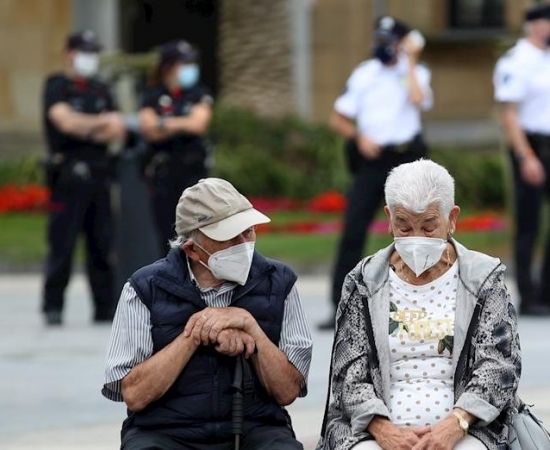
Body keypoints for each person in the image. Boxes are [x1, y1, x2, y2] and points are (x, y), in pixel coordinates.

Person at [318, 160, 521, 450]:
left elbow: (499, 367)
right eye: (404, 227)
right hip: (374, 430)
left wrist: (457, 423)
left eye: (428, 227)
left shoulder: (482, 278)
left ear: (451, 218)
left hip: (468, 428)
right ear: (389, 218)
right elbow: (348, 374)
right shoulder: (365, 281)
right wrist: (383, 429)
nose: (416, 239)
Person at [102, 178, 312, 450]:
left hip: (256, 428)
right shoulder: (144, 288)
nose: (244, 243)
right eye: (230, 237)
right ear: (191, 249)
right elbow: (134, 395)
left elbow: (287, 391)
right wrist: (194, 334)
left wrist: (251, 327)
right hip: (164, 432)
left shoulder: (280, 282)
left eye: (248, 231)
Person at [321, 16, 433, 330]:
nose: (383, 47)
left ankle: (420, 302)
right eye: (380, 41)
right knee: (354, 229)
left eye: (390, 42)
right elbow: (338, 118)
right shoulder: (364, 74)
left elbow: (419, 99)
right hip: (372, 161)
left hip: (407, 159)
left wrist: (411, 59)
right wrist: (359, 137)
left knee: (416, 229)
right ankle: (340, 306)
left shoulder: (416, 73)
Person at [493, 2, 550, 317]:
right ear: (535, 25)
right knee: (529, 223)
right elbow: (509, 115)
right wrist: (525, 155)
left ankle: (549, 290)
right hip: (532, 147)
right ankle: (528, 296)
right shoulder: (517, 61)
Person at [42, 30, 127, 326]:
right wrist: (98, 124)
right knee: (61, 245)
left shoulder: (102, 89)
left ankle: (104, 308)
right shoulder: (57, 86)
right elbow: (63, 121)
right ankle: (53, 307)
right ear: (70, 53)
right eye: (85, 52)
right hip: (66, 177)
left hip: (100, 176)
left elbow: (117, 128)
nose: (90, 59)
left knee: (102, 245)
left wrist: (85, 126)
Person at [139, 39, 214, 255]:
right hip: (163, 175)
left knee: (196, 236)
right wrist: (182, 122)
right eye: (185, 63)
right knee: (167, 237)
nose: (191, 68)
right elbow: (148, 127)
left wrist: (165, 123)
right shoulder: (152, 95)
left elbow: (198, 124)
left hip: (192, 173)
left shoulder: (198, 93)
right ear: (169, 67)